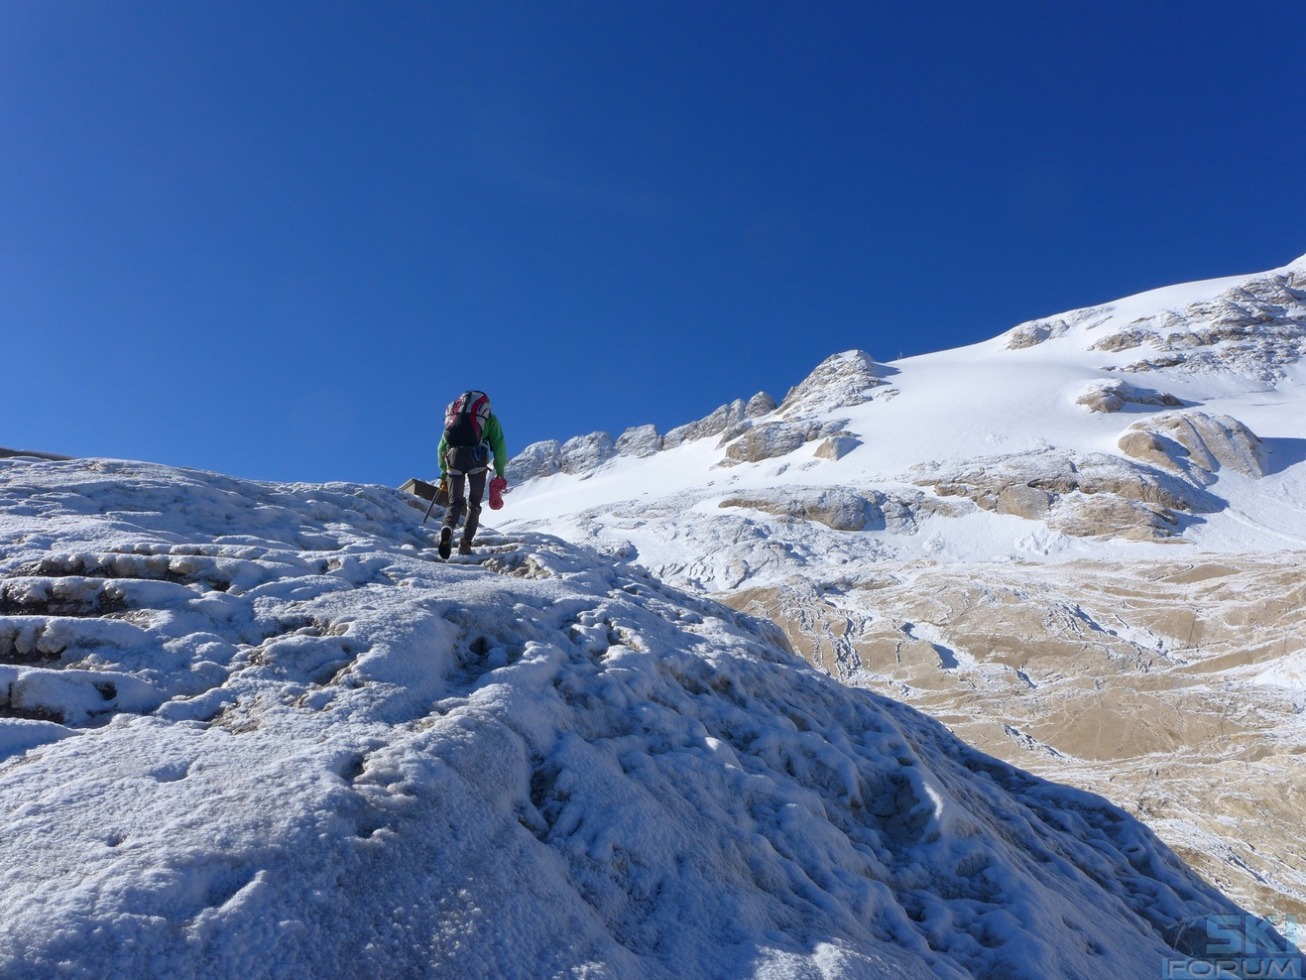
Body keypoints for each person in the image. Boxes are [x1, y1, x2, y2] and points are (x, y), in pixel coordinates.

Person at [437, 390, 508, 558]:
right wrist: (499, 472)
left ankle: (447, 529)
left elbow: (441, 446)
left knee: (454, 502)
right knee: (474, 503)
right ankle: (465, 543)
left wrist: (442, 472)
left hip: (454, 457)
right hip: (477, 458)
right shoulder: (490, 418)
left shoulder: (455, 417)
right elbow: (499, 446)